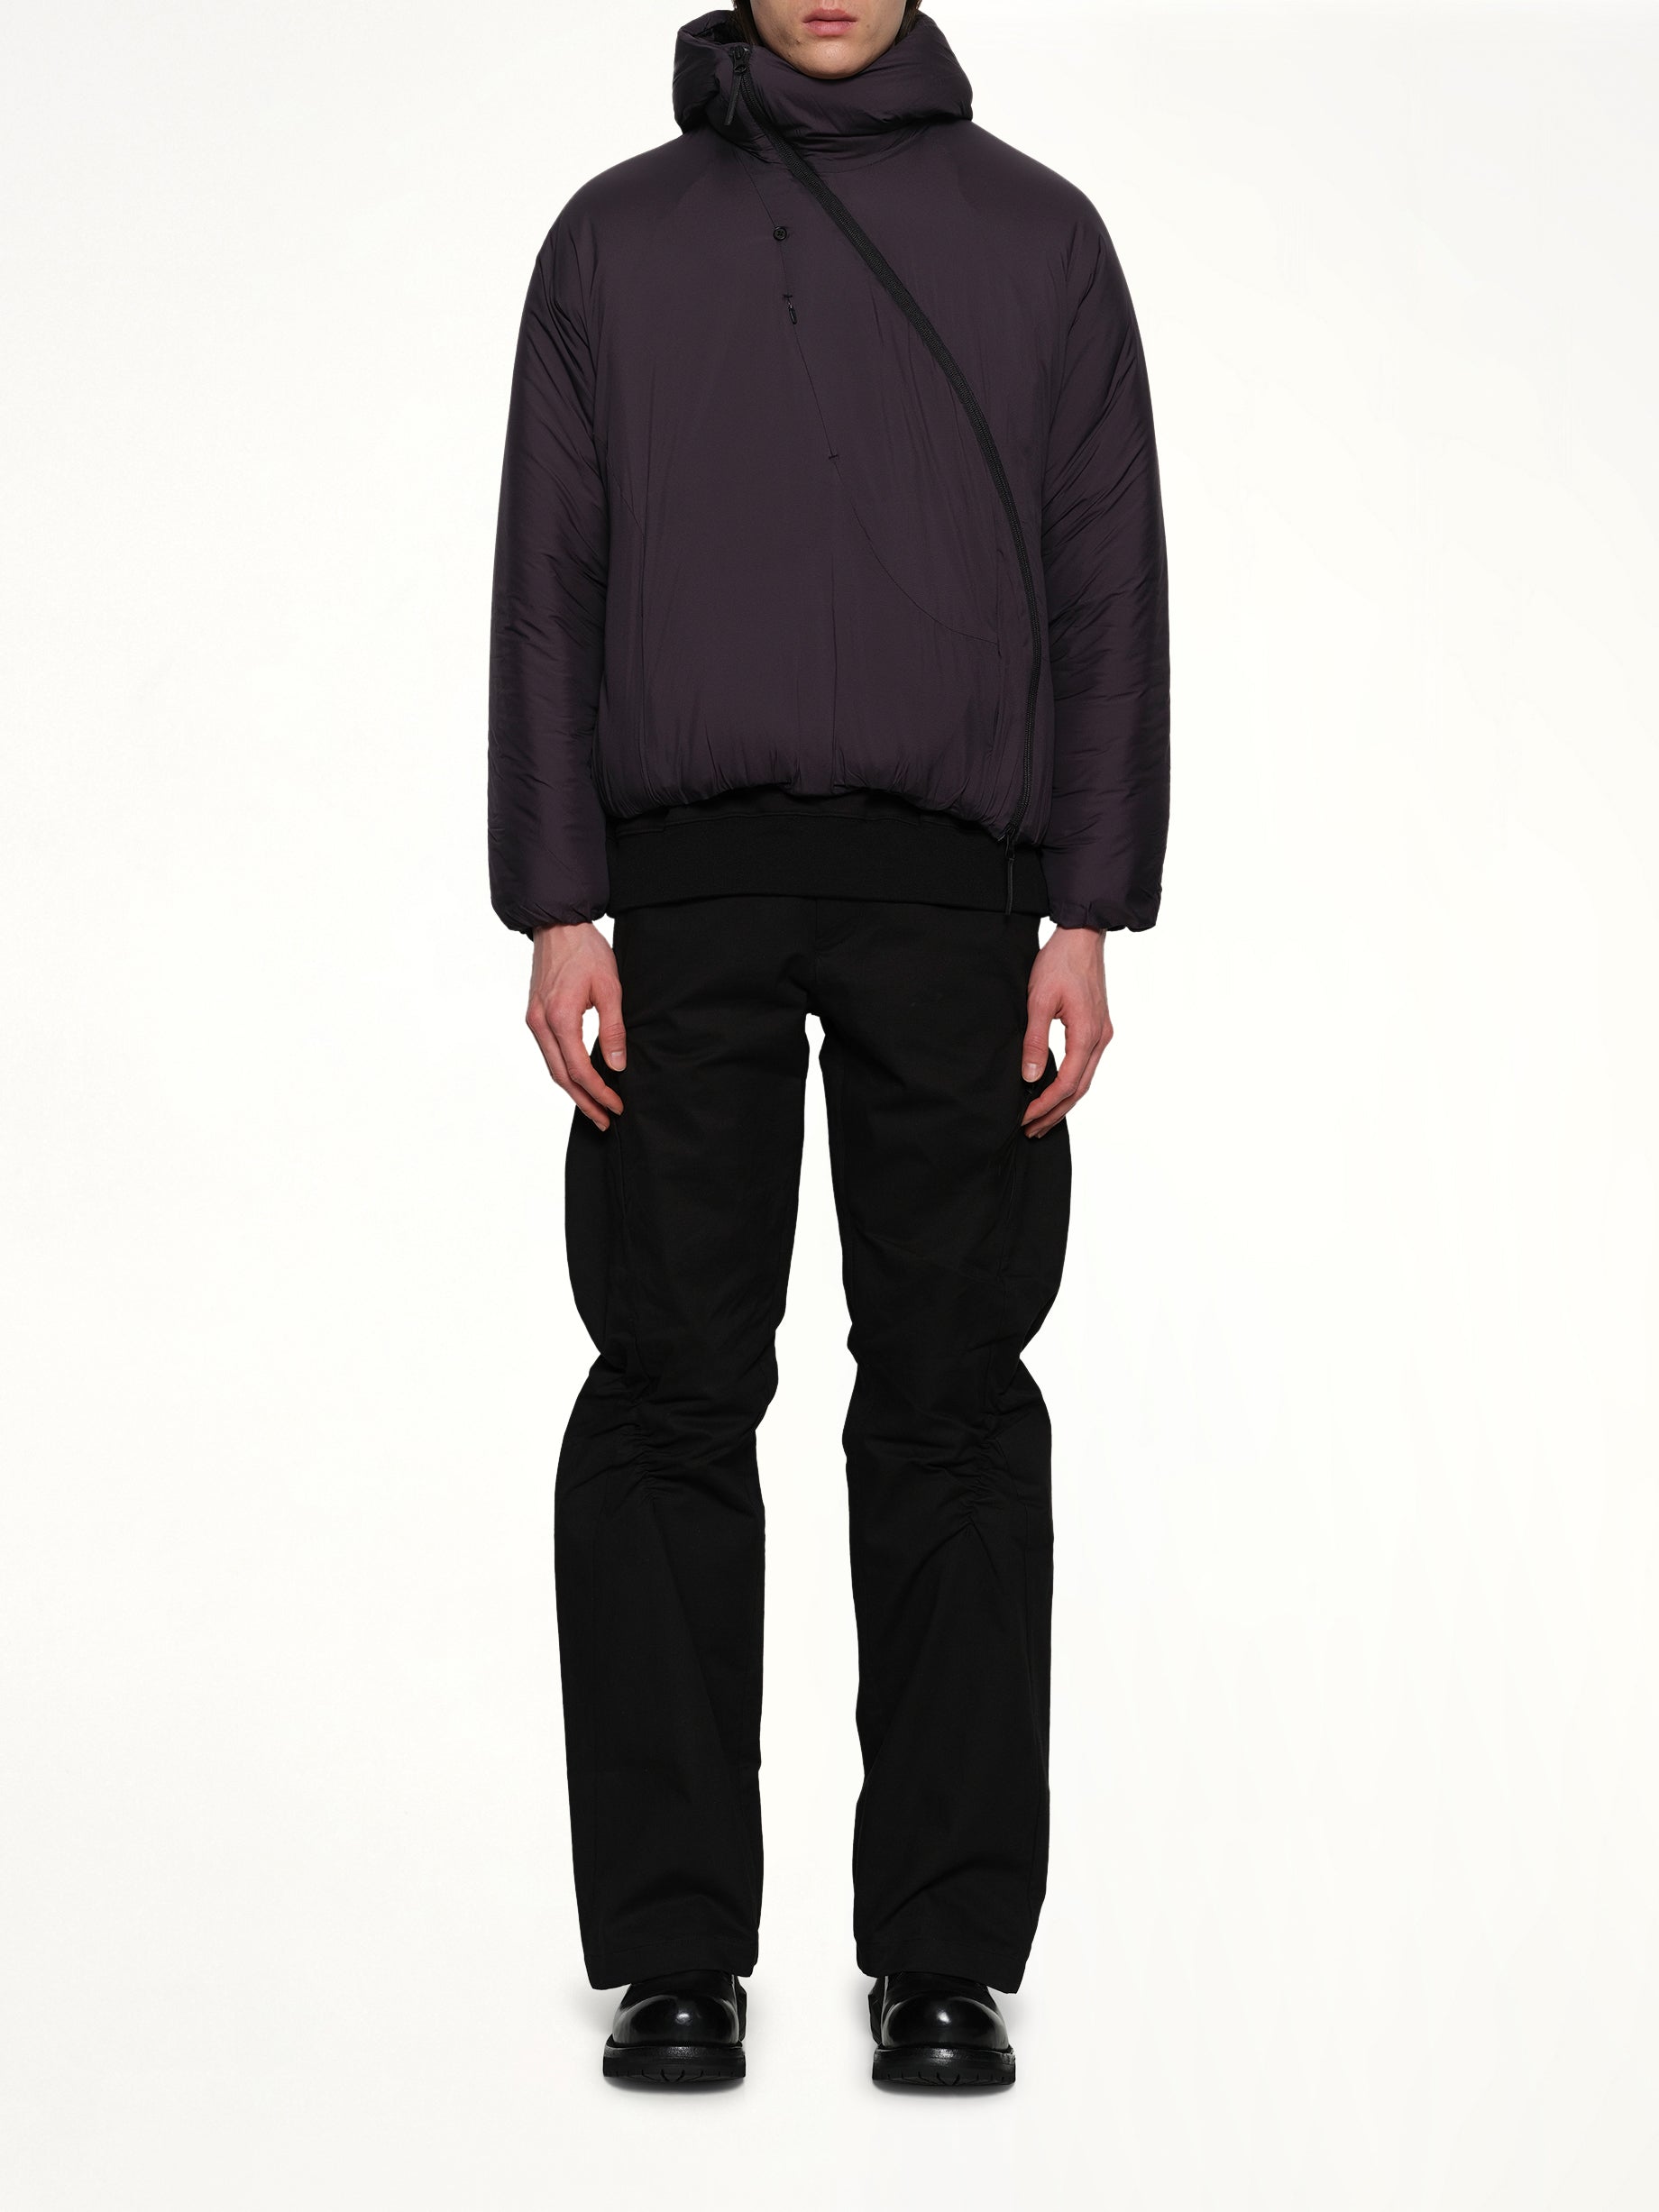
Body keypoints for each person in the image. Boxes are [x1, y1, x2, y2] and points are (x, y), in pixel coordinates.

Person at [488, 0, 1168, 2089]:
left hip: (957, 898)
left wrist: (1085, 909)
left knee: (949, 1401)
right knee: (668, 1393)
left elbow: (1103, 580)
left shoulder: (1041, 238)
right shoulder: (610, 239)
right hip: (678, 895)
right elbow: (548, 581)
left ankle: (941, 1956)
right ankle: (673, 1955)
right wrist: (556, 901)